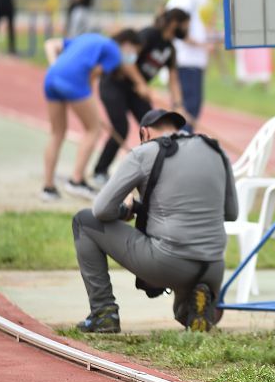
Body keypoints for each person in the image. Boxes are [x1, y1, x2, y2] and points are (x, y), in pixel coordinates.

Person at [72, 108, 237, 334]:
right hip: (213, 266)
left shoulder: (146, 152)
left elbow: (101, 209)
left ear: (144, 133)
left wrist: (125, 211)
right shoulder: (215, 150)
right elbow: (231, 213)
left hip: (168, 263)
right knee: (182, 314)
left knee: (83, 221)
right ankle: (193, 306)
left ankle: (103, 313)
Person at [42, 29, 147, 201]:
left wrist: (55, 65)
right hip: (74, 81)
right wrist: (86, 99)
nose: (133, 57)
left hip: (52, 77)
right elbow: (93, 74)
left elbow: (50, 44)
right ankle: (76, 180)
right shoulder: (114, 51)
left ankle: (48, 187)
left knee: (57, 132)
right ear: (127, 44)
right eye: (135, 51)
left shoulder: (88, 38)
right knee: (93, 129)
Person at [92, 8, 190, 183]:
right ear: (175, 22)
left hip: (136, 91)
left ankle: (156, 170)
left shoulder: (170, 49)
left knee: (155, 127)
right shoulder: (149, 35)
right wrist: (141, 83)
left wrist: (178, 103)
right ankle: (100, 171)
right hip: (114, 84)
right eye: (185, 25)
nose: (187, 30)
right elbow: (126, 58)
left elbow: (173, 78)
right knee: (121, 128)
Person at [165, 0, 210, 131]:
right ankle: (183, 141)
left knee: (189, 104)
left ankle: (183, 139)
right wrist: (201, 44)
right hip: (187, 60)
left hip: (189, 60)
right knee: (189, 105)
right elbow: (179, 28)